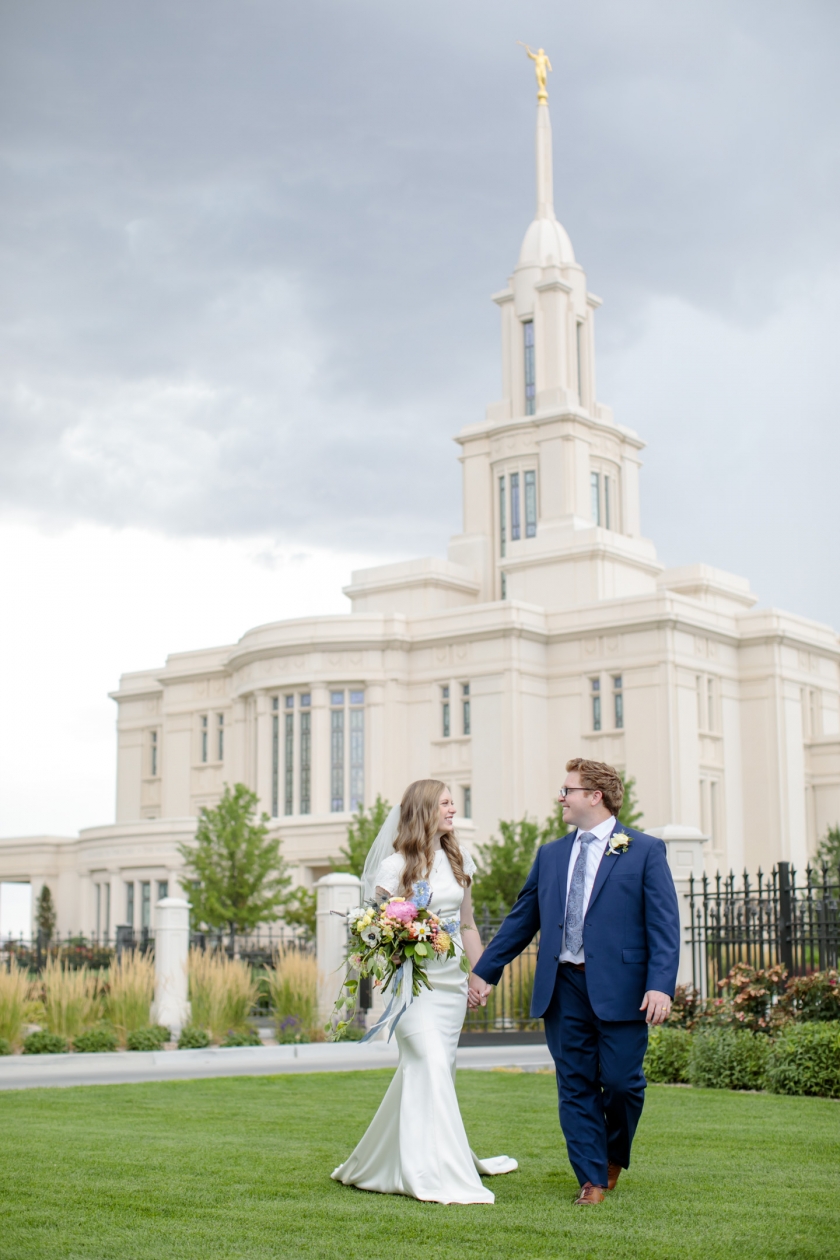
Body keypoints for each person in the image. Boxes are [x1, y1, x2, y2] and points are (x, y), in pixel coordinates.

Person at [469, 758, 680, 1206]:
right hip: (562, 986)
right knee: (575, 1084)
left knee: (623, 1083)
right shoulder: (550, 854)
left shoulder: (644, 850)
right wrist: (485, 970)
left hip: (623, 990)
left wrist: (660, 984)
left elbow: (664, 925)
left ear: (595, 796)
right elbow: (522, 919)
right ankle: (591, 1180)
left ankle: (612, 1155)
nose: (560, 797)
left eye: (568, 789)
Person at [331, 778, 517, 1204]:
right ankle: (434, 1173)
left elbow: (466, 923)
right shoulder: (394, 868)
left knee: (434, 1072)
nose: (453, 810)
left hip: (451, 988)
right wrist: (402, 942)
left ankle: (383, 1160)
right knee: (430, 1064)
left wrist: (481, 973)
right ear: (424, 811)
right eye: (446, 803)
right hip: (413, 989)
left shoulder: (458, 858)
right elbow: (372, 933)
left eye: (454, 803)